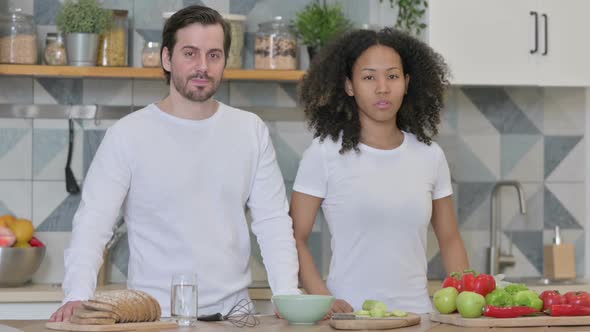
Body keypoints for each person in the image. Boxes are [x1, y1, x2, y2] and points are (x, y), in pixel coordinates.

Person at [50, 5, 300, 322]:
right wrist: (77, 295)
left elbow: (274, 223)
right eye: (190, 53)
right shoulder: (128, 134)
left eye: (214, 55)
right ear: (167, 58)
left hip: (234, 318)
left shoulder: (250, 130)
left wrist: (287, 293)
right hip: (153, 318)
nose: (203, 67)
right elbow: (93, 224)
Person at [291, 28, 470, 315]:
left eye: (393, 76)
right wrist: (322, 298)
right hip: (350, 318)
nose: (382, 88)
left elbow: (450, 240)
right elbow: (294, 236)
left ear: (407, 82)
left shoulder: (430, 156)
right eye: (369, 77)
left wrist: (466, 302)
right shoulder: (323, 154)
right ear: (349, 85)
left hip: (416, 318)